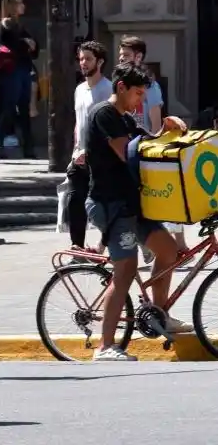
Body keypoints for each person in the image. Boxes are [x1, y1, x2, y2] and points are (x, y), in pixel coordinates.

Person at [84, 61, 192, 361]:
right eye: (138, 93)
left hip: (132, 204)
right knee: (126, 270)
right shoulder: (105, 114)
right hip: (110, 204)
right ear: (121, 87)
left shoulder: (126, 119)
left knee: (168, 251)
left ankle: (160, 314)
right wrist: (154, 142)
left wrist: (165, 131)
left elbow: (148, 143)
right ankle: (105, 346)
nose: (141, 101)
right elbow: (128, 153)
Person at [118, 35, 187, 256]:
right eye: (120, 55)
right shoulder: (122, 85)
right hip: (130, 148)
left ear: (138, 57)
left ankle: (177, 245)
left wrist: (154, 148)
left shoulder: (151, 87)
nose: (121, 59)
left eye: (126, 55)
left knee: (159, 197)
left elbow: (155, 123)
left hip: (145, 150)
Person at [68, 41, 113, 253]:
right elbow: (79, 122)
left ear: (100, 62)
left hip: (99, 158)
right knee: (75, 200)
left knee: (102, 204)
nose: (83, 63)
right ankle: (77, 248)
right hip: (79, 157)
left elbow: (108, 126)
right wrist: (76, 149)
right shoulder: (79, 89)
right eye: (81, 59)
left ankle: (112, 244)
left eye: (88, 59)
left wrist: (91, 151)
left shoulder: (108, 89)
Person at [0, 0, 39, 159]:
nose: (23, 6)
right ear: (12, 6)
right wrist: (27, 44)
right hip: (13, 71)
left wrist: (29, 44)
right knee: (9, 108)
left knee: (24, 109)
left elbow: (34, 46)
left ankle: (28, 148)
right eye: (19, 3)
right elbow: (15, 46)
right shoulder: (6, 24)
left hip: (23, 69)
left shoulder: (20, 24)